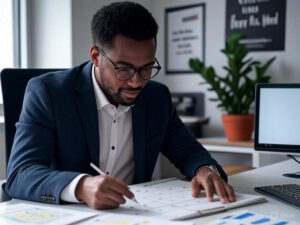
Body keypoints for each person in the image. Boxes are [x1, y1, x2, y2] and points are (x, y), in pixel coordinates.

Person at [5, 1, 235, 209]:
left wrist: (206, 170)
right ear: (96, 56)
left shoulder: (157, 97)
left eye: (146, 68)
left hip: (135, 215)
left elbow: (188, 151)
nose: (136, 81)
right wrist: (81, 186)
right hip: (70, 215)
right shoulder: (49, 93)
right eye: (123, 69)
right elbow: (20, 174)